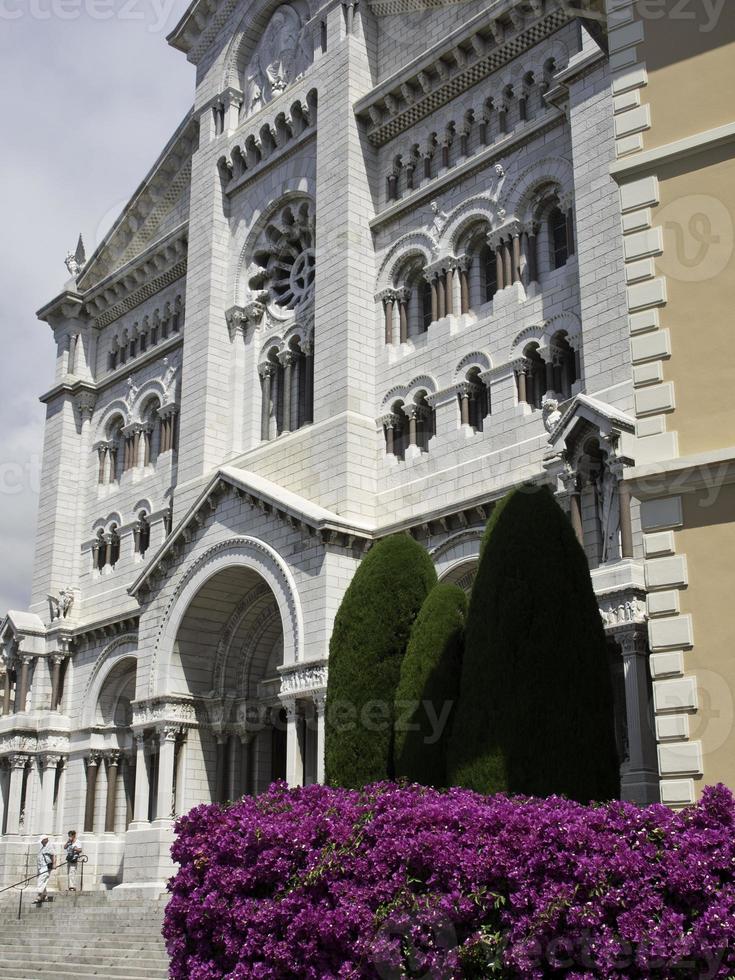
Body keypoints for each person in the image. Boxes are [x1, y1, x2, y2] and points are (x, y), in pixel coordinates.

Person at [35, 836, 54, 905]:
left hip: (46, 867)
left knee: (41, 880)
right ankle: (45, 896)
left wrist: (54, 864)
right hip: (41, 867)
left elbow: (53, 855)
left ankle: (39, 895)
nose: (41, 842)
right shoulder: (43, 847)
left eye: (42, 840)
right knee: (43, 881)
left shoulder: (49, 846)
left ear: (45, 840)